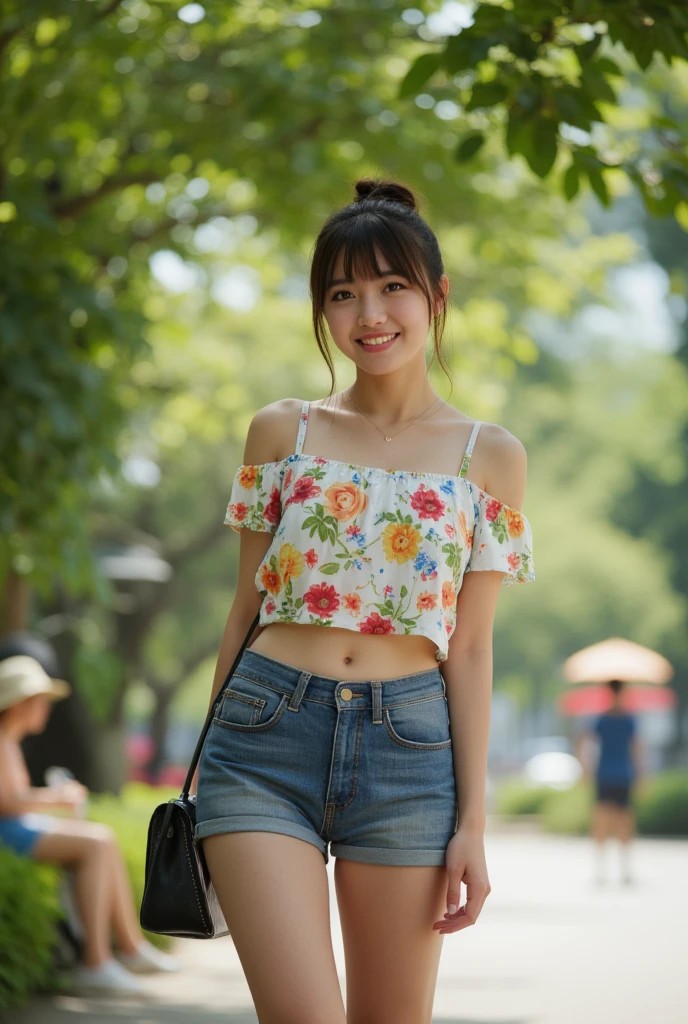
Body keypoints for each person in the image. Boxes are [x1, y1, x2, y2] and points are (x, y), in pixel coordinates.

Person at [192, 177, 535, 1024]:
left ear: (436, 297)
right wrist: (201, 768)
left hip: (409, 752)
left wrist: (473, 826)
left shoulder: (488, 457)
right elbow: (244, 611)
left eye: (392, 287)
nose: (368, 313)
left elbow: (473, 648)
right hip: (263, 741)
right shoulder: (285, 431)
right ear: (322, 311)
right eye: (343, 293)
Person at [0, 655, 181, 995]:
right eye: (39, 702)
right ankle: (96, 961)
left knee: (103, 839)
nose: (45, 710)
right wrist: (56, 798)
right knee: (96, 842)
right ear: (20, 704)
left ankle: (130, 947)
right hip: (8, 831)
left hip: (16, 826)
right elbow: (7, 803)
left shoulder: (9, 742)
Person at [576, 678, 643, 887]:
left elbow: (637, 748)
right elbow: (583, 741)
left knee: (622, 823)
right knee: (604, 822)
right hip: (609, 775)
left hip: (620, 775)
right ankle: (604, 869)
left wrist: (585, 768)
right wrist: (585, 768)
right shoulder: (603, 720)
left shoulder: (625, 720)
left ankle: (624, 869)